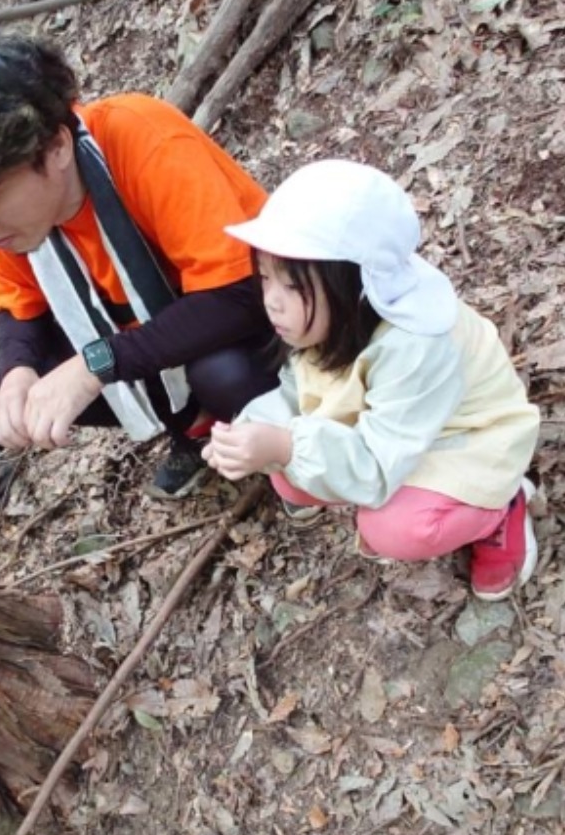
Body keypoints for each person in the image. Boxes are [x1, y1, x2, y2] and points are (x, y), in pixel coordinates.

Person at [0, 33, 279, 498]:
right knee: (47, 371)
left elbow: (241, 296)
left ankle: (289, 453)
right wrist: (15, 373)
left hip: (268, 314)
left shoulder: (140, 138)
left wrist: (95, 365)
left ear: (55, 148)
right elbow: (18, 307)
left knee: (222, 372)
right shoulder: (1, 224)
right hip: (153, 329)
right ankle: (194, 427)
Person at [203, 160, 543, 599]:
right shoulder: (335, 320)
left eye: (292, 286)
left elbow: (376, 467)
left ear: (354, 284)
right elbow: (295, 388)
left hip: (464, 436)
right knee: (286, 473)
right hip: (397, 428)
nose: (272, 302)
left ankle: (501, 505)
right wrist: (250, 429)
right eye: (266, 278)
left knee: (395, 529)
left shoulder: (414, 344)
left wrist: (284, 445)